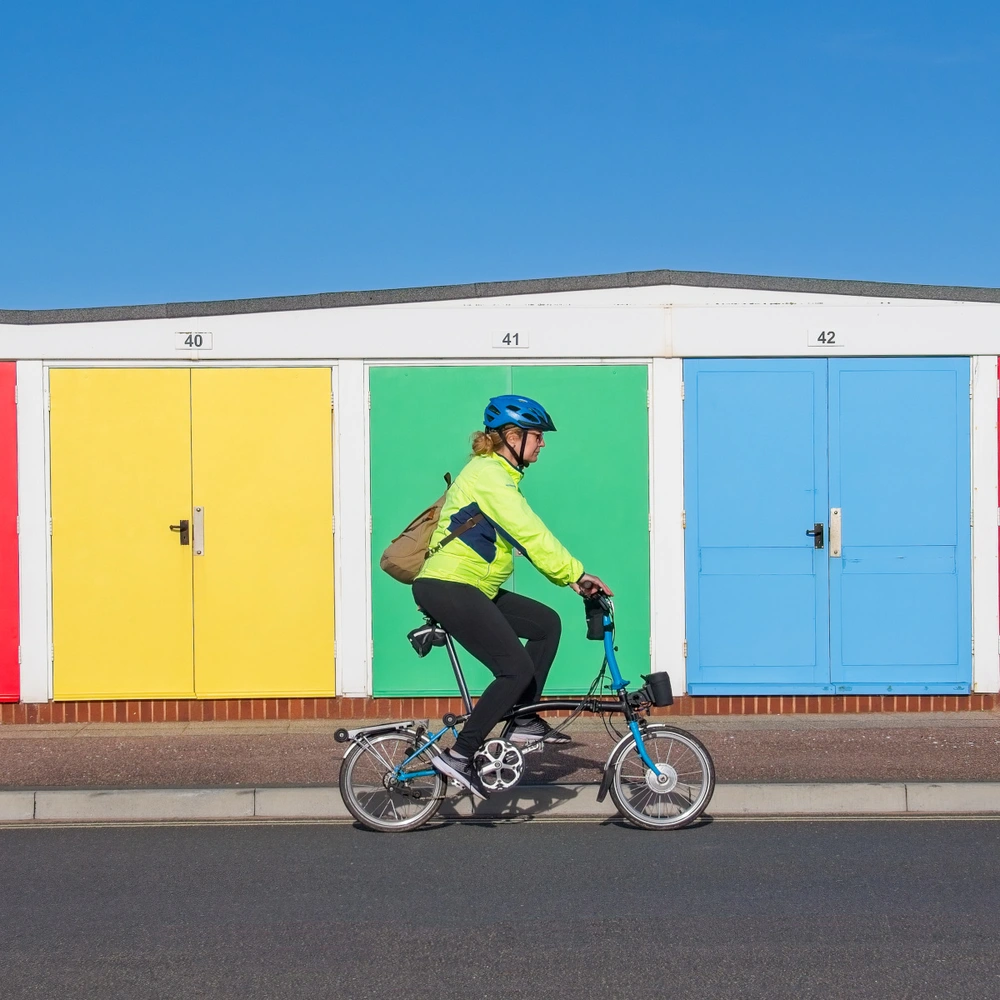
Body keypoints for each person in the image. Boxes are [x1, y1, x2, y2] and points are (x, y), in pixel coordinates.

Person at [412, 394, 612, 799]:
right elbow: (529, 530)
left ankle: (522, 720)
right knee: (514, 669)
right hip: (448, 586)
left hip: (472, 588)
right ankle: (460, 755)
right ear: (512, 436)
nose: (542, 444)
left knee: (545, 624)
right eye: (537, 436)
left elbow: (522, 539)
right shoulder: (489, 476)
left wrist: (570, 582)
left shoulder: (500, 475)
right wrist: (574, 571)